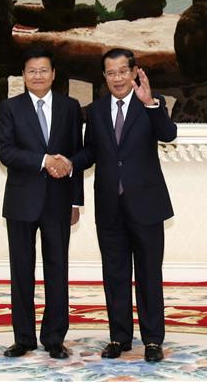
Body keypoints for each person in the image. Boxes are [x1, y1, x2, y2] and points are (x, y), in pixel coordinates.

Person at [69, 47, 177, 363]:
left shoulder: (151, 103)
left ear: (134, 73)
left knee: (148, 274)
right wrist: (68, 162)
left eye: (122, 71)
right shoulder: (97, 110)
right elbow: (91, 152)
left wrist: (150, 103)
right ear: (104, 76)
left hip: (146, 205)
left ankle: (153, 340)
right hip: (109, 207)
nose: (117, 78)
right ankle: (119, 337)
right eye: (111, 73)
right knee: (114, 274)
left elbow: (168, 134)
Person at [0, 47, 84, 360]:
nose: (38, 76)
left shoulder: (70, 107)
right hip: (21, 201)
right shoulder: (10, 108)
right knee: (21, 270)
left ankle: (54, 338)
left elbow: (76, 154)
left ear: (53, 74)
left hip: (59, 201)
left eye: (43, 70)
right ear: (23, 75)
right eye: (32, 71)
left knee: (57, 270)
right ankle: (23, 338)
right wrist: (44, 160)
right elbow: (6, 152)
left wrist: (76, 201)